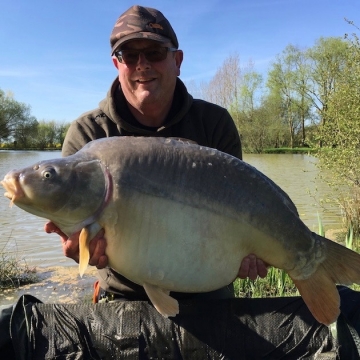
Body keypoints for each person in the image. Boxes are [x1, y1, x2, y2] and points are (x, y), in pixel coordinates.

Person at [45, 5, 268, 303]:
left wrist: (250, 252)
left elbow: (240, 210)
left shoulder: (214, 124)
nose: (142, 64)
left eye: (154, 53)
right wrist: (79, 249)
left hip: (209, 292)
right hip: (123, 297)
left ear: (177, 60)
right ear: (116, 64)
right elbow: (78, 236)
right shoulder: (88, 135)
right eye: (129, 55)